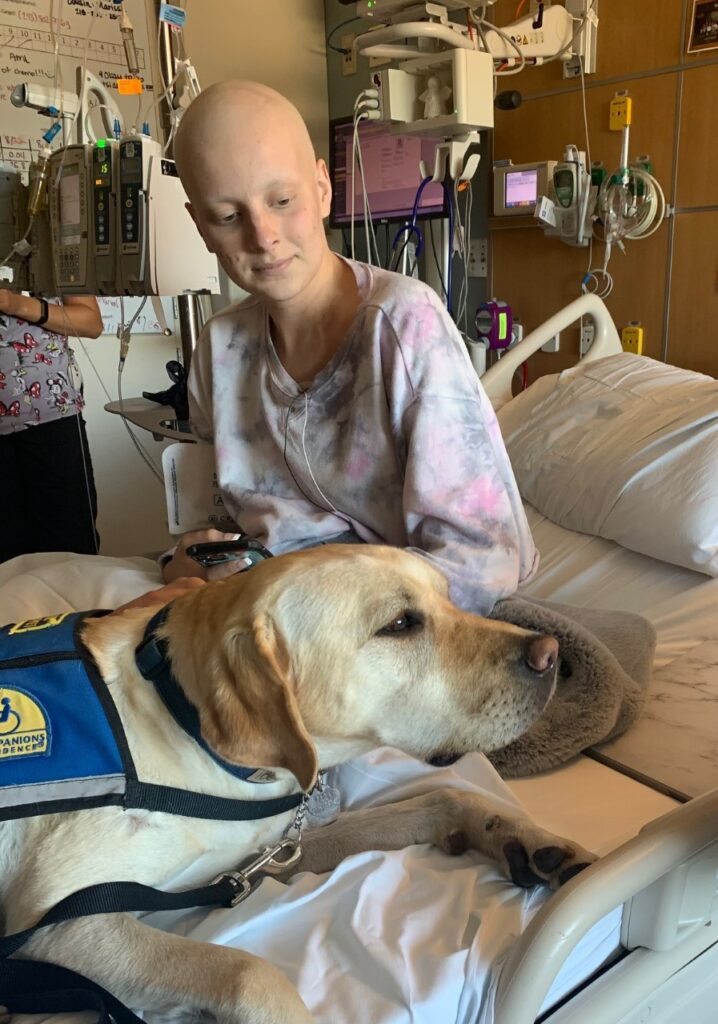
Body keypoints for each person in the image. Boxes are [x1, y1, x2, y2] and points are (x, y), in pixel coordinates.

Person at [162, 80, 537, 615]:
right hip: (256, 609)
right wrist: (188, 564)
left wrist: (315, 606)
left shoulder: (404, 326)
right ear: (201, 226)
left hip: (386, 628)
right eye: (228, 216)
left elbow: (484, 565)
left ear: (322, 189)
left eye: (283, 200)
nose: (262, 236)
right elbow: (214, 524)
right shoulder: (219, 350)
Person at [0, 290, 104, 562]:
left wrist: (15, 304)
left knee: (70, 550)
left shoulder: (54, 248)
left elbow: (90, 322)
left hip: (51, 419)